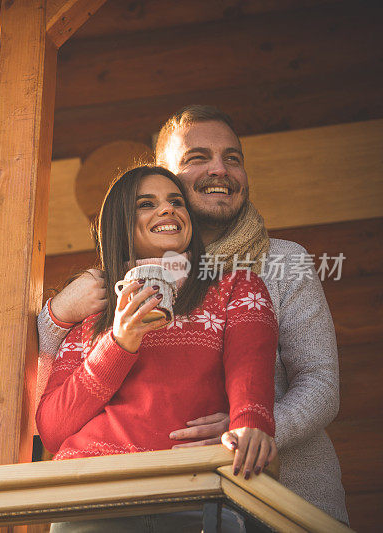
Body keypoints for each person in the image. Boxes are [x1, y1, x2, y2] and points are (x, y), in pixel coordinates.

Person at [37, 105, 348, 523]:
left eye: (232, 158)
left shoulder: (280, 264)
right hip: (130, 497)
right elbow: (46, 402)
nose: (220, 169)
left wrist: (247, 430)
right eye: (197, 158)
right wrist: (57, 311)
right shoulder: (111, 286)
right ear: (162, 174)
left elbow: (321, 382)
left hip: (283, 494)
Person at [37, 165, 277, 532]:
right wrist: (119, 342)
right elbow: (53, 429)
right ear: (119, 225)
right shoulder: (94, 312)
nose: (167, 210)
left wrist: (249, 425)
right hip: (91, 495)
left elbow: (251, 369)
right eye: (146, 204)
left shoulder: (236, 287)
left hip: (198, 489)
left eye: (176, 201)